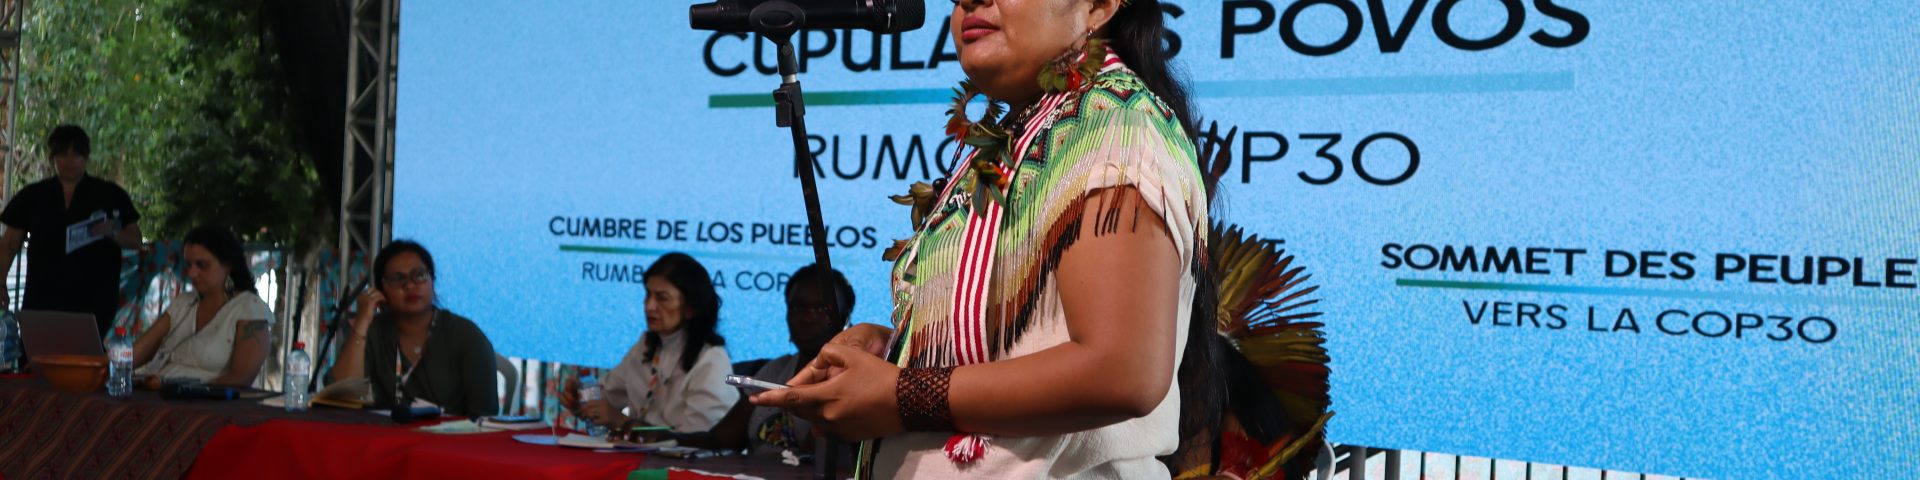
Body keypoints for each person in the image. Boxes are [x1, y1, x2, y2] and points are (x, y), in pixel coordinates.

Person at [751, 0, 1215, 478]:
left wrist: (901, 394)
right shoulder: (1028, 129)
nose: (968, 1)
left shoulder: (1115, 124)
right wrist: (895, 352)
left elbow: (1121, 371)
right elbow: (1023, 347)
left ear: (1099, 5)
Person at [648, 264, 854, 456]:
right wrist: (660, 439)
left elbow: (813, 458)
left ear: (845, 318)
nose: (807, 318)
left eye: (822, 309)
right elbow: (720, 439)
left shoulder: (849, 379)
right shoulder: (776, 370)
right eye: (798, 308)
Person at [560, 252, 737, 433]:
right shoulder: (646, 346)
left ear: (690, 308)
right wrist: (581, 397)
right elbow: (608, 395)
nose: (649, 306)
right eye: (648, 294)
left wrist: (620, 421)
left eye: (662, 298)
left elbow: (700, 440)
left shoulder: (711, 361)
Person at [0, 125, 143, 338]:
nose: (69, 161)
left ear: (86, 156)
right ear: (52, 157)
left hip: (94, 301)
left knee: (84, 355)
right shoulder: (33, 195)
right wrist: (1, 283)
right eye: (62, 154)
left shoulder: (110, 194)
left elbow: (136, 240)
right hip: (42, 299)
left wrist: (112, 232)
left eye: (76, 154)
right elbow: (9, 244)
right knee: (36, 354)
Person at [328, 240, 499, 417]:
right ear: (381, 291)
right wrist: (362, 322)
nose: (409, 285)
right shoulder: (373, 331)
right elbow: (341, 400)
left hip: (451, 434)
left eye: (419, 275)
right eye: (397, 279)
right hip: (383, 433)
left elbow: (485, 416)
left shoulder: (466, 335)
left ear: (432, 281)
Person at [130, 226, 272, 387]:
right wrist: (111, 367)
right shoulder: (184, 303)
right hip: (158, 393)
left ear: (227, 265)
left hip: (204, 400)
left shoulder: (249, 308)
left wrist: (182, 389)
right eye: (188, 265)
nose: (192, 273)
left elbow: (241, 379)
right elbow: (136, 353)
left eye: (202, 265)